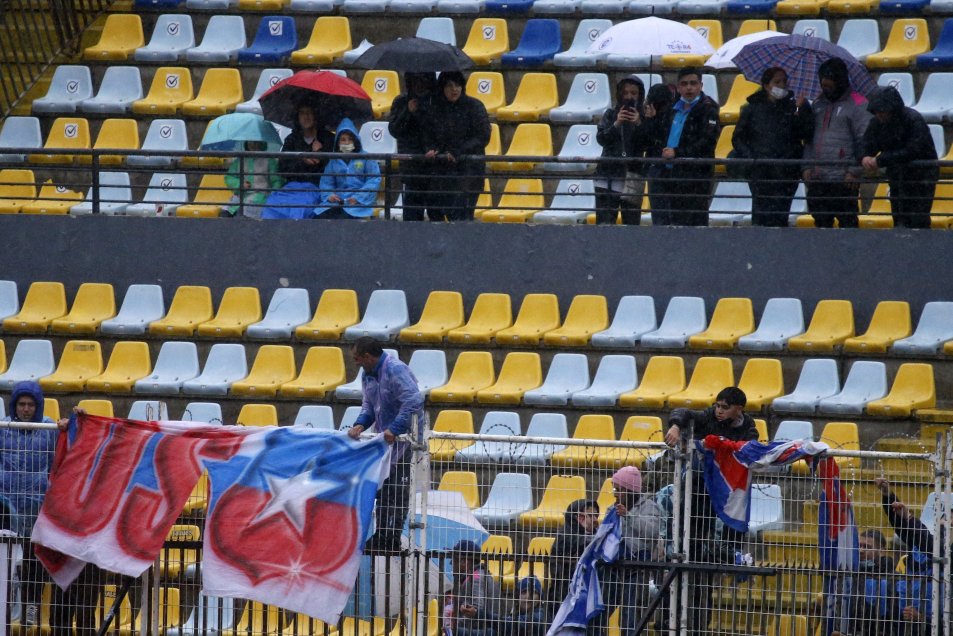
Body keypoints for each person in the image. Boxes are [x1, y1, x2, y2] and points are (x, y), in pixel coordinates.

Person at [664, 387, 759, 635]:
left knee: (707, 566)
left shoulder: (748, 426)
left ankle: (728, 553)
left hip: (727, 494)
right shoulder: (708, 417)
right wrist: (675, 426)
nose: (719, 410)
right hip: (699, 490)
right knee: (689, 553)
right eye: (717, 405)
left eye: (725, 407)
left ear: (739, 409)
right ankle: (672, 621)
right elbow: (683, 412)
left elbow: (750, 448)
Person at [0, 382, 69, 627]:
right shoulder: (2, 429)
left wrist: (66, 428)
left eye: (30, 405)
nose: (26, 409)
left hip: (38, 506)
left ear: (38, 406)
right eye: (22, 404)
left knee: (33, 560)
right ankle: (6, 609)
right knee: (6, 560)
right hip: (7, 507)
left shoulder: (49, 428)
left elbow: (67, 447)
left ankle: (31, 607)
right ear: (14, 405)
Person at [347, 337, 424, 552]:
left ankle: (393, 535)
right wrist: (360, 425)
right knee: (383, 488)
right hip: (385, 441)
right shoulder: (368, 375)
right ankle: (382, 533)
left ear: (367, 356)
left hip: (405, 440)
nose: (356, 363)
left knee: (398, 489)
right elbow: (368, 405)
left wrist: (396, 428)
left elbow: (413, 401)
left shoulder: (396, 370)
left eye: (357, 359)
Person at [731, 67, 815, 227]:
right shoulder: (752, 108)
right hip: (760, 171)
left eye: (784, 81)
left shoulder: (795, 106)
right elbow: (738, 138)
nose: (782, 85)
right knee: (761, 215)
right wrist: (751, 158)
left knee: (781, 216)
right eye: (777, 82)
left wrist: (799, 111)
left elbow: (806, 134)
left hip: (786, 172)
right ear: (766, 85)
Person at [589, 466, 663, 636]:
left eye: (619, 489)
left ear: (630, 490)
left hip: (637, 569)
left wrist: (628, 516)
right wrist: (597, 529)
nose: (615, 493)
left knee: (630, 618)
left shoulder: (649, 507)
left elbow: (652, 532)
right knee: (599, 612)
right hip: (614, 568)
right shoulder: (612, 509)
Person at [644, 67, 720, 226]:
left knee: (694, 224)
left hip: (695, 176)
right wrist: (651, 120)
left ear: (701, 85)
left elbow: (707, 142)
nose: (689, 88)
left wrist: (677, 153)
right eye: (684, 84)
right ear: (678, 87)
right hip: (670, 176)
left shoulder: (708, 109)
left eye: (693, 83)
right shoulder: (672, 109)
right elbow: (658, 137)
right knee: (670, 223)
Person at [802, 57, 872, 229]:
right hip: (818, 179)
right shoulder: (818, 104)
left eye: (829, 86)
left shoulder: (859, 104)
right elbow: (809, 139)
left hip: (844, 180)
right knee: (820, 226)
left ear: (839, 81)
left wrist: (855, 171)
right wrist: (806, 167)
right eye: (823, 85)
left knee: (848, 226)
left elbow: (865, 140)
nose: (825, 89)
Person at [861, 86, 939, 230]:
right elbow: (867, 143)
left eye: (882, 111)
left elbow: (913, 150)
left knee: (918, 219)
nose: (879, 115)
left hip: (921, 178)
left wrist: (880, 160)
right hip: (897, 177)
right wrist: (865, 155)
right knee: (899, 218)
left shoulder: (913, 120)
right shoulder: (878, 123)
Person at [420, 71, 491, 221]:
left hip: (468, 172)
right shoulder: (436, 109)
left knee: (461, 216)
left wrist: (459, 151)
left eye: (458, 85)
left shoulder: (474, 106)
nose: (455, 89)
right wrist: (430, 148)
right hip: (441, 173)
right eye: (450, 86)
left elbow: (483, 136)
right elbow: (428, 133)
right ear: (442, 88)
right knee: (435, 212)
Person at [874, 478, 935, 635]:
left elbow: (928, 543)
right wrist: (888, 496)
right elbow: (911, 534)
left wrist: (923, 619)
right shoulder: (915, 554)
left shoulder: (940, 551)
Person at [594, 75, 651, 225]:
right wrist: (616, 124)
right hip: (608, 175)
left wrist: (640, 124)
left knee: (631, 224)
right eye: (625, 93)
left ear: (640, 95)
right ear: (619, 94)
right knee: (605, 224)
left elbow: (648, 144)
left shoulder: (645, 118)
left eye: (633, 93)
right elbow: (601, 139)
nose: (629, 97)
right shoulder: (610, 114)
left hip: (633, 176)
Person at [389, 72, 437, 222]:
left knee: (437, 215)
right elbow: (394, 130)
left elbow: (438, 130)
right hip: (411, 168)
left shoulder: (436, 102)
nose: (419, 85)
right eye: (415, 81)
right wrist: (407, 112)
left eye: (423, 81)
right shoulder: (401, 101)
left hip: (434, 168)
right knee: (411, 217)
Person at [313, 119, 382, 219]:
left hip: (359, 204)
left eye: (350, 139)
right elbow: (326, 182)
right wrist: (330, 195)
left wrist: (358, 198)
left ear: (355, 140)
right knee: (319, 217)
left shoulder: (366, 158)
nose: (347, 142)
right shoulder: (333, 160)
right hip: (338, 202)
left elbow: (374, 180)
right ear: (338, 142)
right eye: (343, 139)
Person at [547, 499, 599, 614]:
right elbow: (579, 541)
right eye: (590, 515)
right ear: (577, 517)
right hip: (563, 594)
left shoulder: (595, 534)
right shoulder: (564, 533)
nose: (595, 519)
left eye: (596, 515)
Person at [443, 539, 501, 636]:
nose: (451, 564)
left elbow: (477, 613)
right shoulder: (476, 576)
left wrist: (453, 625)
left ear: (465, 561)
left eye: (455, 560)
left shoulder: (476, 578)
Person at [851, 528, 901, 636]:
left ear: (881, 550)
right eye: (859, 546)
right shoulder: (850, 571)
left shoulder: (891, 576)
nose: (861, 550)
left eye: (867, 547)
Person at [224, 141, 284, 218]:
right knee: (224, 214)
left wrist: (272, 197)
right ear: (246, 143)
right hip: (240, 196)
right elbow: (229, 177)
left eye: (256, 142)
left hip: (260, 197)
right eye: (250, 142)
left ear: (262, 143)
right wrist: (239, 184)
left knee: (240, 216)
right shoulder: (239, 160)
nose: (253, 144)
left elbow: (276, 181)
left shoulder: (269, 161)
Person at [278, 104, 335, 184]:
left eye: (309, 112)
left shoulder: (328, 138)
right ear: (297, 117)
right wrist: (302, 160)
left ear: (315, 115)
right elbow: (282, 168)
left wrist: (320, 154)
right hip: (294, 187)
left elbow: (334, 168)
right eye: (302, 113)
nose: (306, 116)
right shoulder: (291, 139)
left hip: (320, 187)